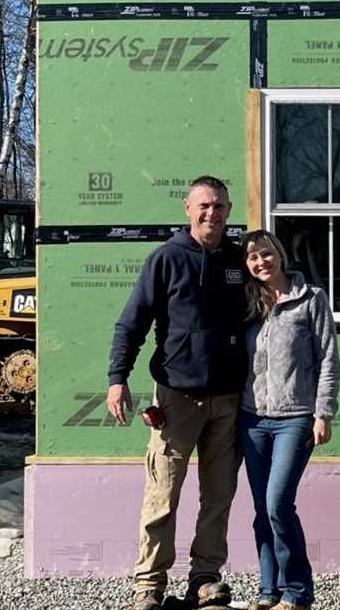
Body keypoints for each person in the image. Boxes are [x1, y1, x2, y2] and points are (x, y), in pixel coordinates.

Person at [106, 176, 248, 610]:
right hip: (176, 398)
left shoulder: (238, 260)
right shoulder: (166, 259)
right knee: (162, 494)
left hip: (227, 400)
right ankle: (149, 584)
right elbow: (132, 322)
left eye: (220, 206)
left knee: (218, 495)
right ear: (188, 208)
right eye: (204, 205)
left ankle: (205, 579)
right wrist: (117, 377)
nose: (213, 213)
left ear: (228, 210)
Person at [239, 230, 340, 610]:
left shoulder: (311, 299)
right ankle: (269, 591)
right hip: (251, 420)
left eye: (266, 254)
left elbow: (328, 360)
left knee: (278, 503)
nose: (261, 262)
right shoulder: (250, 304)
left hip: (295, 419)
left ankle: (298, 591)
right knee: (261, 509)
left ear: (279, 255)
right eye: (252, 258)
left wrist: (323, 412)